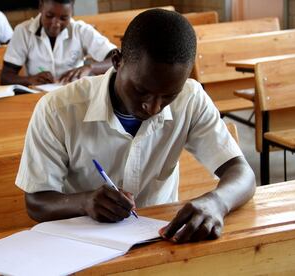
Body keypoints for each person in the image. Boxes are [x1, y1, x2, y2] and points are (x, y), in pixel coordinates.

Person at [15, 9, 256, 243]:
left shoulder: (190, 98)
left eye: (169, 96)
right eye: (141, 91)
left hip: (159, 237)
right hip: (83, 241)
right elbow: (36, 202)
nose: (152, 108)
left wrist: (217, 202)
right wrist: (85, 202)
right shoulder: (58, 109)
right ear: (117, 61)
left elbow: (242, 173)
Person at [0, 0, 116, 86]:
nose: (56, 23)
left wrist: (90, 68)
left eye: (64, 18)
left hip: (74, 94)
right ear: (41, 7)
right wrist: (29, 79)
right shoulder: (23, 31)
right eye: (49, 16)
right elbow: (6, 77)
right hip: (38, 98)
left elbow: (118, 59)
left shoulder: (81, 30)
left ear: (71, 12)